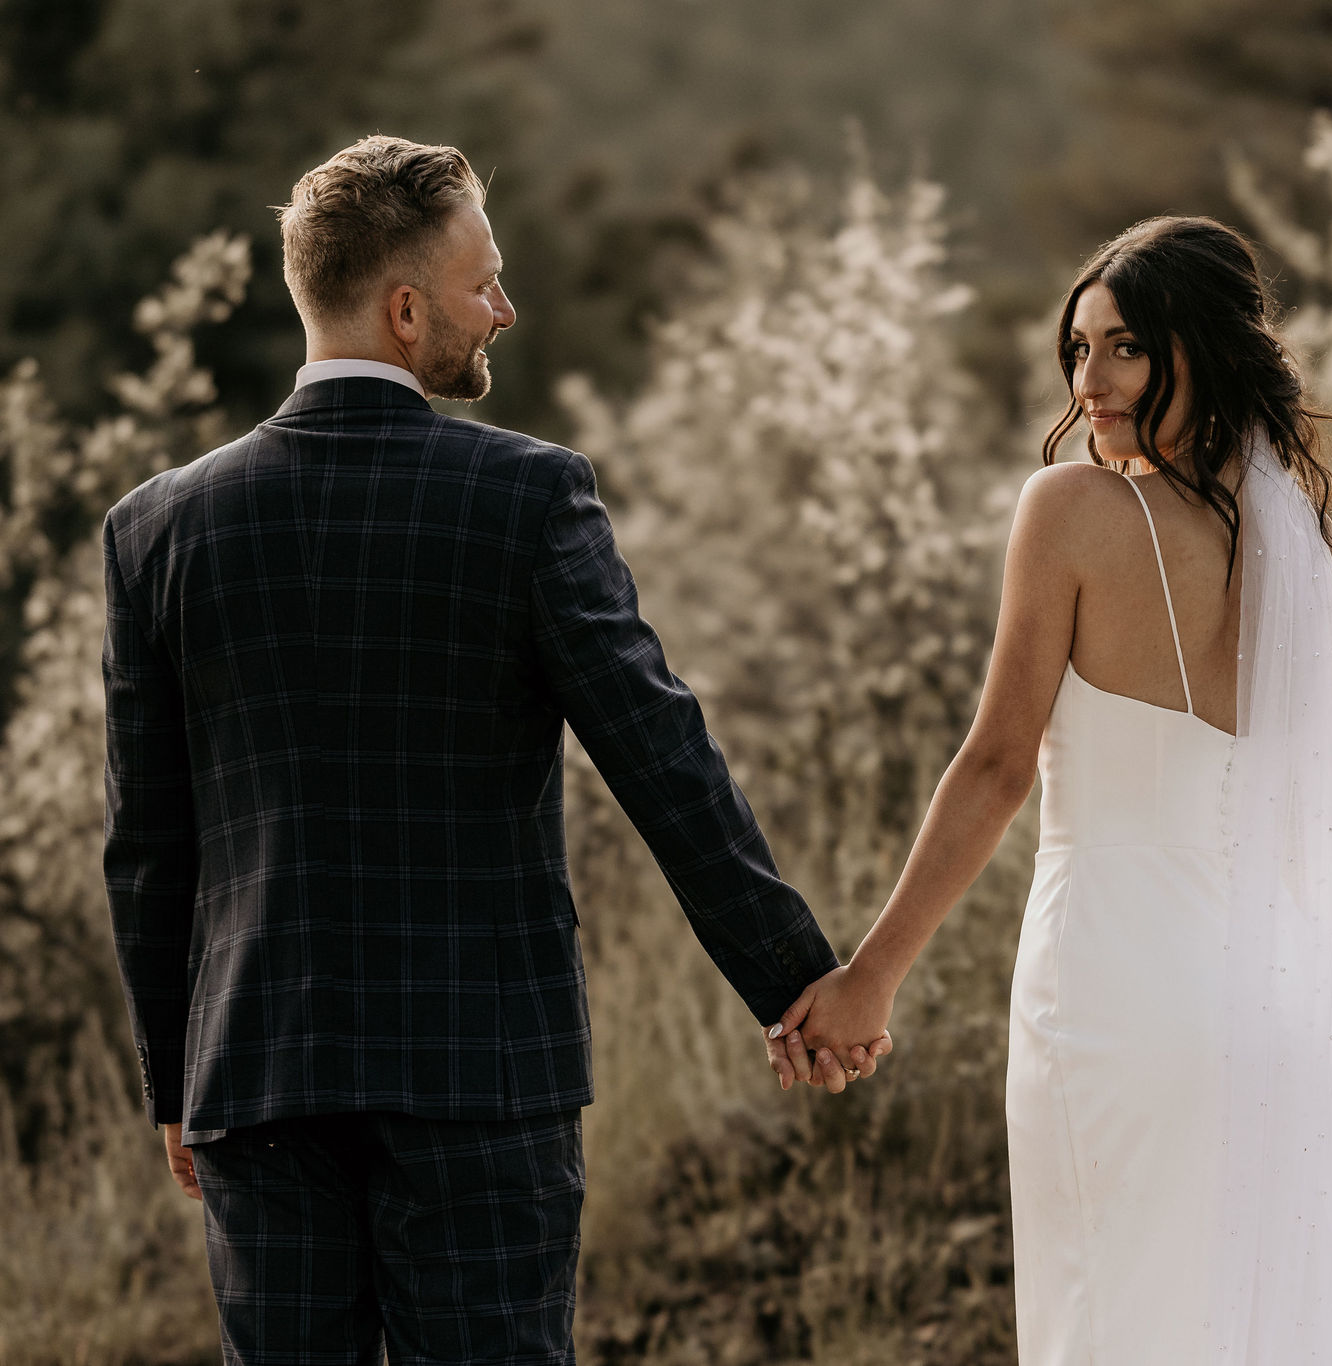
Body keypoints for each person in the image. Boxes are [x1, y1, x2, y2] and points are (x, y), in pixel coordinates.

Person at [100, 135, 885, 1366]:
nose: (504, 311)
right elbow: (658, 753)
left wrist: (175, 1076)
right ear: (405, 309)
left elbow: (148, 846)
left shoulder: (155, 529)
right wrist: (793, 976)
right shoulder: (524, 498)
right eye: (484, 283)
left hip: (256, 1071)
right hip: (479, 1072)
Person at [774, 216, 1332, 1361]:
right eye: (1077, 350)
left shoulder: (1070, 510)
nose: (1091, 381)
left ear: (1196, 347)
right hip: (1269, 1004)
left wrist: (868, 977)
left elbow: (995, 763)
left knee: (1110, 1317)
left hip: (1114, 993)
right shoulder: (1283, 535)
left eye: (1124, 347)